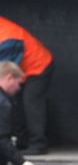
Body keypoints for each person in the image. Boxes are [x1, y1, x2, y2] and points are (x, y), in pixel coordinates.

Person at [0, 14, 54, 153]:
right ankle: (21, 141)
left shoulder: (8, 38)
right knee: (15, 103)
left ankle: (38, 144)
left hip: (38, 67)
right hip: (19, 70)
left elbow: (6, 70)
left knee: (31, 102)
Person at [0, 61, 26, 165]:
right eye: (19, 83)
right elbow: (1, 139)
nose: (19, 88)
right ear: (9, 78)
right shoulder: (3, 103)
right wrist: (22, 163)